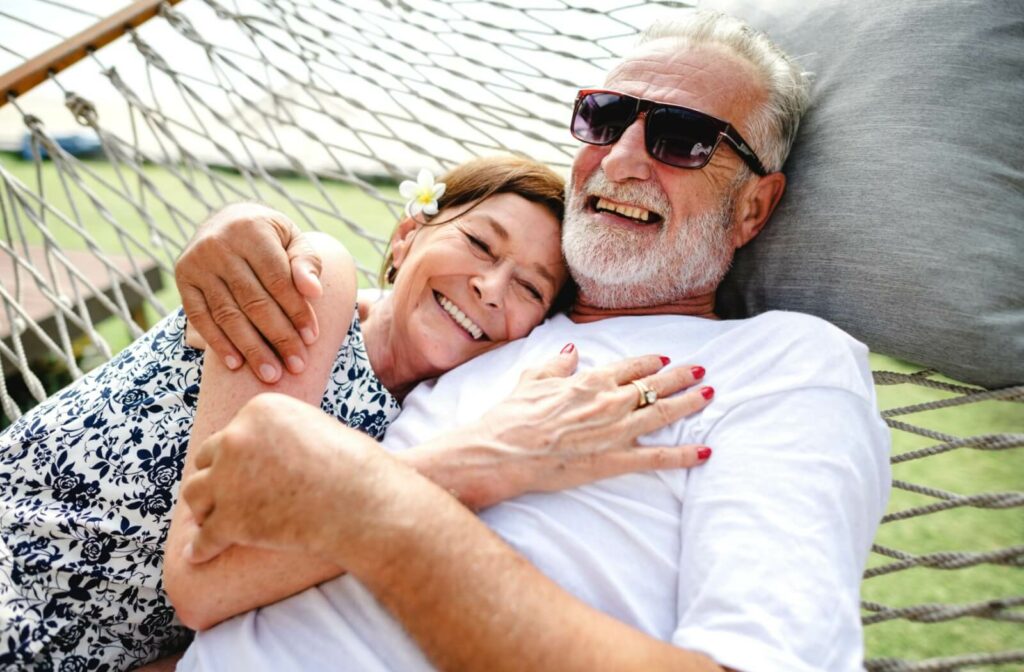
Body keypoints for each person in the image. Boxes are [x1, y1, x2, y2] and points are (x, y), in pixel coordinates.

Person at [167, 10, 892, 672]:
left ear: (753, 207)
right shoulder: (492, 326)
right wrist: (243, 229)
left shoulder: (787, 365)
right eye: (604, 119)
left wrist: (380, 511)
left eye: (683, 138)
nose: (620, 160)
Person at [0, 156, 714, 671]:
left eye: (529, 286)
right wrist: (490, 456)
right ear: (406, 238)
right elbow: (203, 556)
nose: (490, 287)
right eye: (476, 242)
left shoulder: (412, 426)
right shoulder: (320, 283)